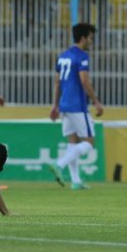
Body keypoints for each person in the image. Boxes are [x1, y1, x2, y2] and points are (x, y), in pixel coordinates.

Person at [48, 23, 104, 190]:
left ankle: (76, 181)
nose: (91, 42)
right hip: (78, 106)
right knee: (89, 142)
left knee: (73, 143)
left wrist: (55, 105)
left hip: (64, 105)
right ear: (83, 38)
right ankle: (59, 164)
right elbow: (84, 81)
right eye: (91, 38)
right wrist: (96, 101)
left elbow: (57, 82)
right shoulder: (82, 56)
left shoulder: (63, 56)